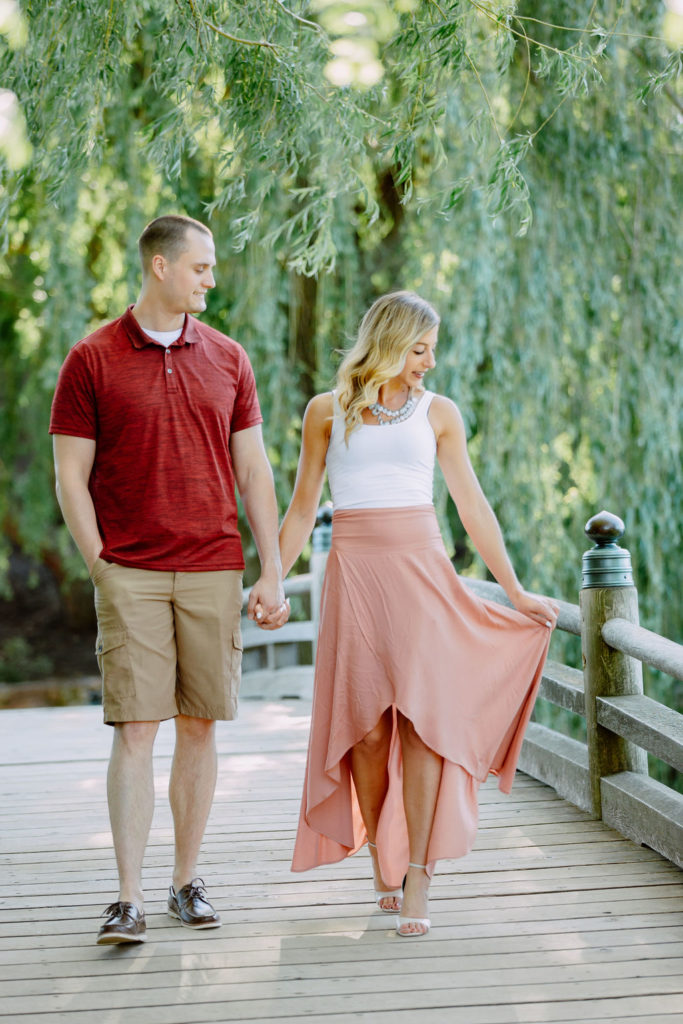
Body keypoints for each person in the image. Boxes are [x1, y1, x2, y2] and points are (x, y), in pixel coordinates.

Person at [274, 290, 559, 937]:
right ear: (391, 341)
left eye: (431, 350)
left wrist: (512, 590)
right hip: (354, 577)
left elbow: (470, 506)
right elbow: (299, 509)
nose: (428, 362)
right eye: (420, 348)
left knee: (422, 724)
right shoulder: (325, 412)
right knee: (368, 731)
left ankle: (421, 877)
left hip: (421, 574)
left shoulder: (439, 414)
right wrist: (268, 576)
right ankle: (383, 856)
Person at [49, 214, 289, 945]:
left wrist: (272, 566)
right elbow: (69, 475)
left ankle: (187, 882)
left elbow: (253, 469)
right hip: (132, 573)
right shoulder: (90, 359)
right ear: (160, 266)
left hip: (214, 567)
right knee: (135, 729)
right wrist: (102, 567)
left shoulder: (229, 359)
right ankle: (127, 899)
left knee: (199, 726)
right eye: (201, 267)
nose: (211, 279)